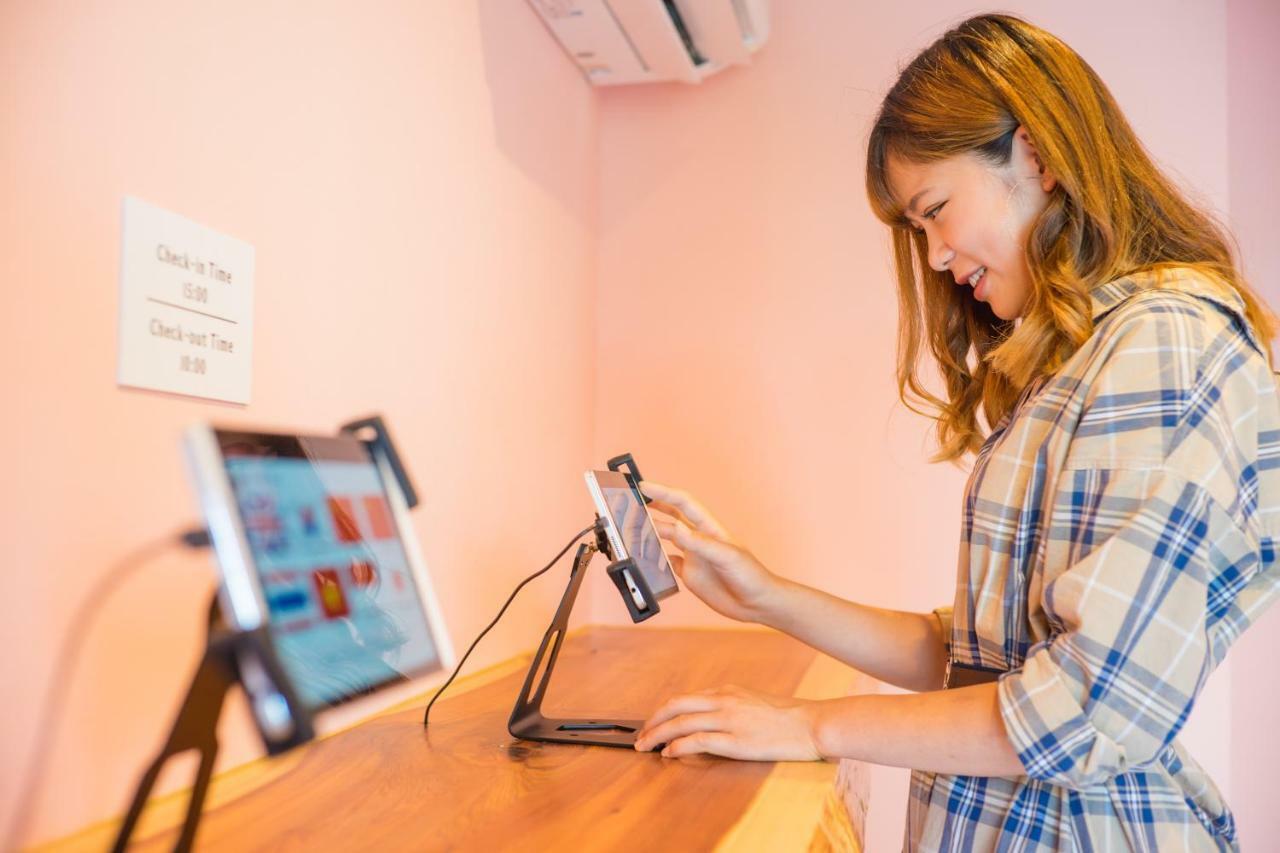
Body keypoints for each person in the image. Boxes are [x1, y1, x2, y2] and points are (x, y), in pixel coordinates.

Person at [630, 13, 1280, 851]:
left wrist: (811, 725)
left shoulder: (1167, 345)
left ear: (1037, 155)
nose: (934, 257)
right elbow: (982, 654)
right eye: (918, 229)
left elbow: (1083, 709)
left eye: (935, 211)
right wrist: (766, 595)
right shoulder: (1086, 356)